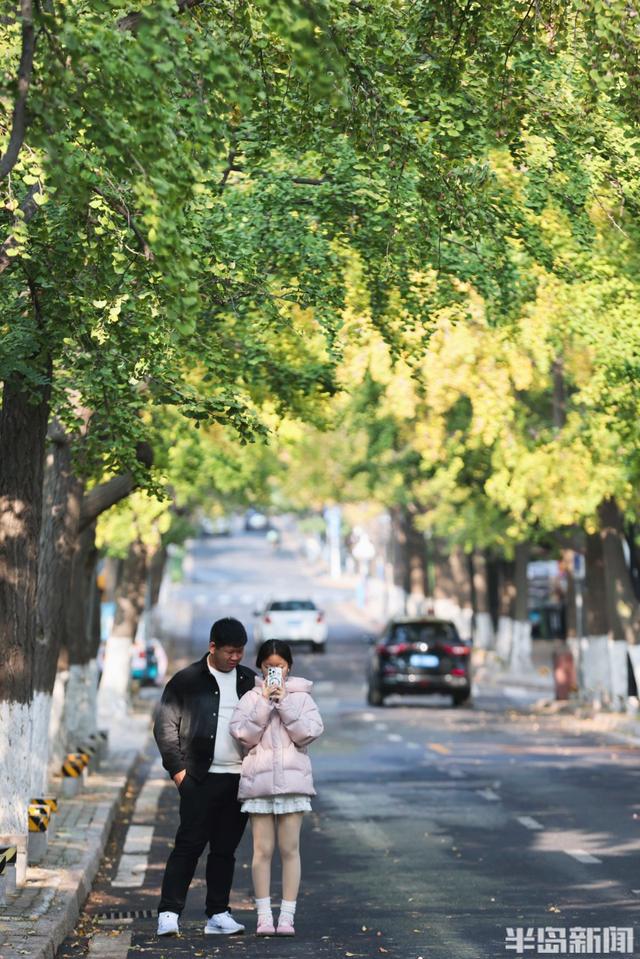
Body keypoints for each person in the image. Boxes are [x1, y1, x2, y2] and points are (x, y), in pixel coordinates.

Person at [153, 617, 256, 937]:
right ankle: (169, 913)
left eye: (240, 651)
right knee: (188, 846)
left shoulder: (249, 681)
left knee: (225, 851)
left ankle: (218, 914)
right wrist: (179, 773)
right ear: (212, 647)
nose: (235, 657)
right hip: (199, 778)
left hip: (239, 779)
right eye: (230, 651)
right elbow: (164, 727)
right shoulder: (187, 680)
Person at [229, 639, 323, 937]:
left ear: (289, 667)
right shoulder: (250, 698)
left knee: (290, 849)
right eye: (269, 667)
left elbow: (308, 733)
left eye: (279, 667)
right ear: (260, 667)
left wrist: (284, 703)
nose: (275, 672)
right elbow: (242, 734)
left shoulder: (302, 698)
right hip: (260, 785)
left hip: (293, 786)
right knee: (262, 851)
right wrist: (264, 702)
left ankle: (287, 917)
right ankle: (264, 917)